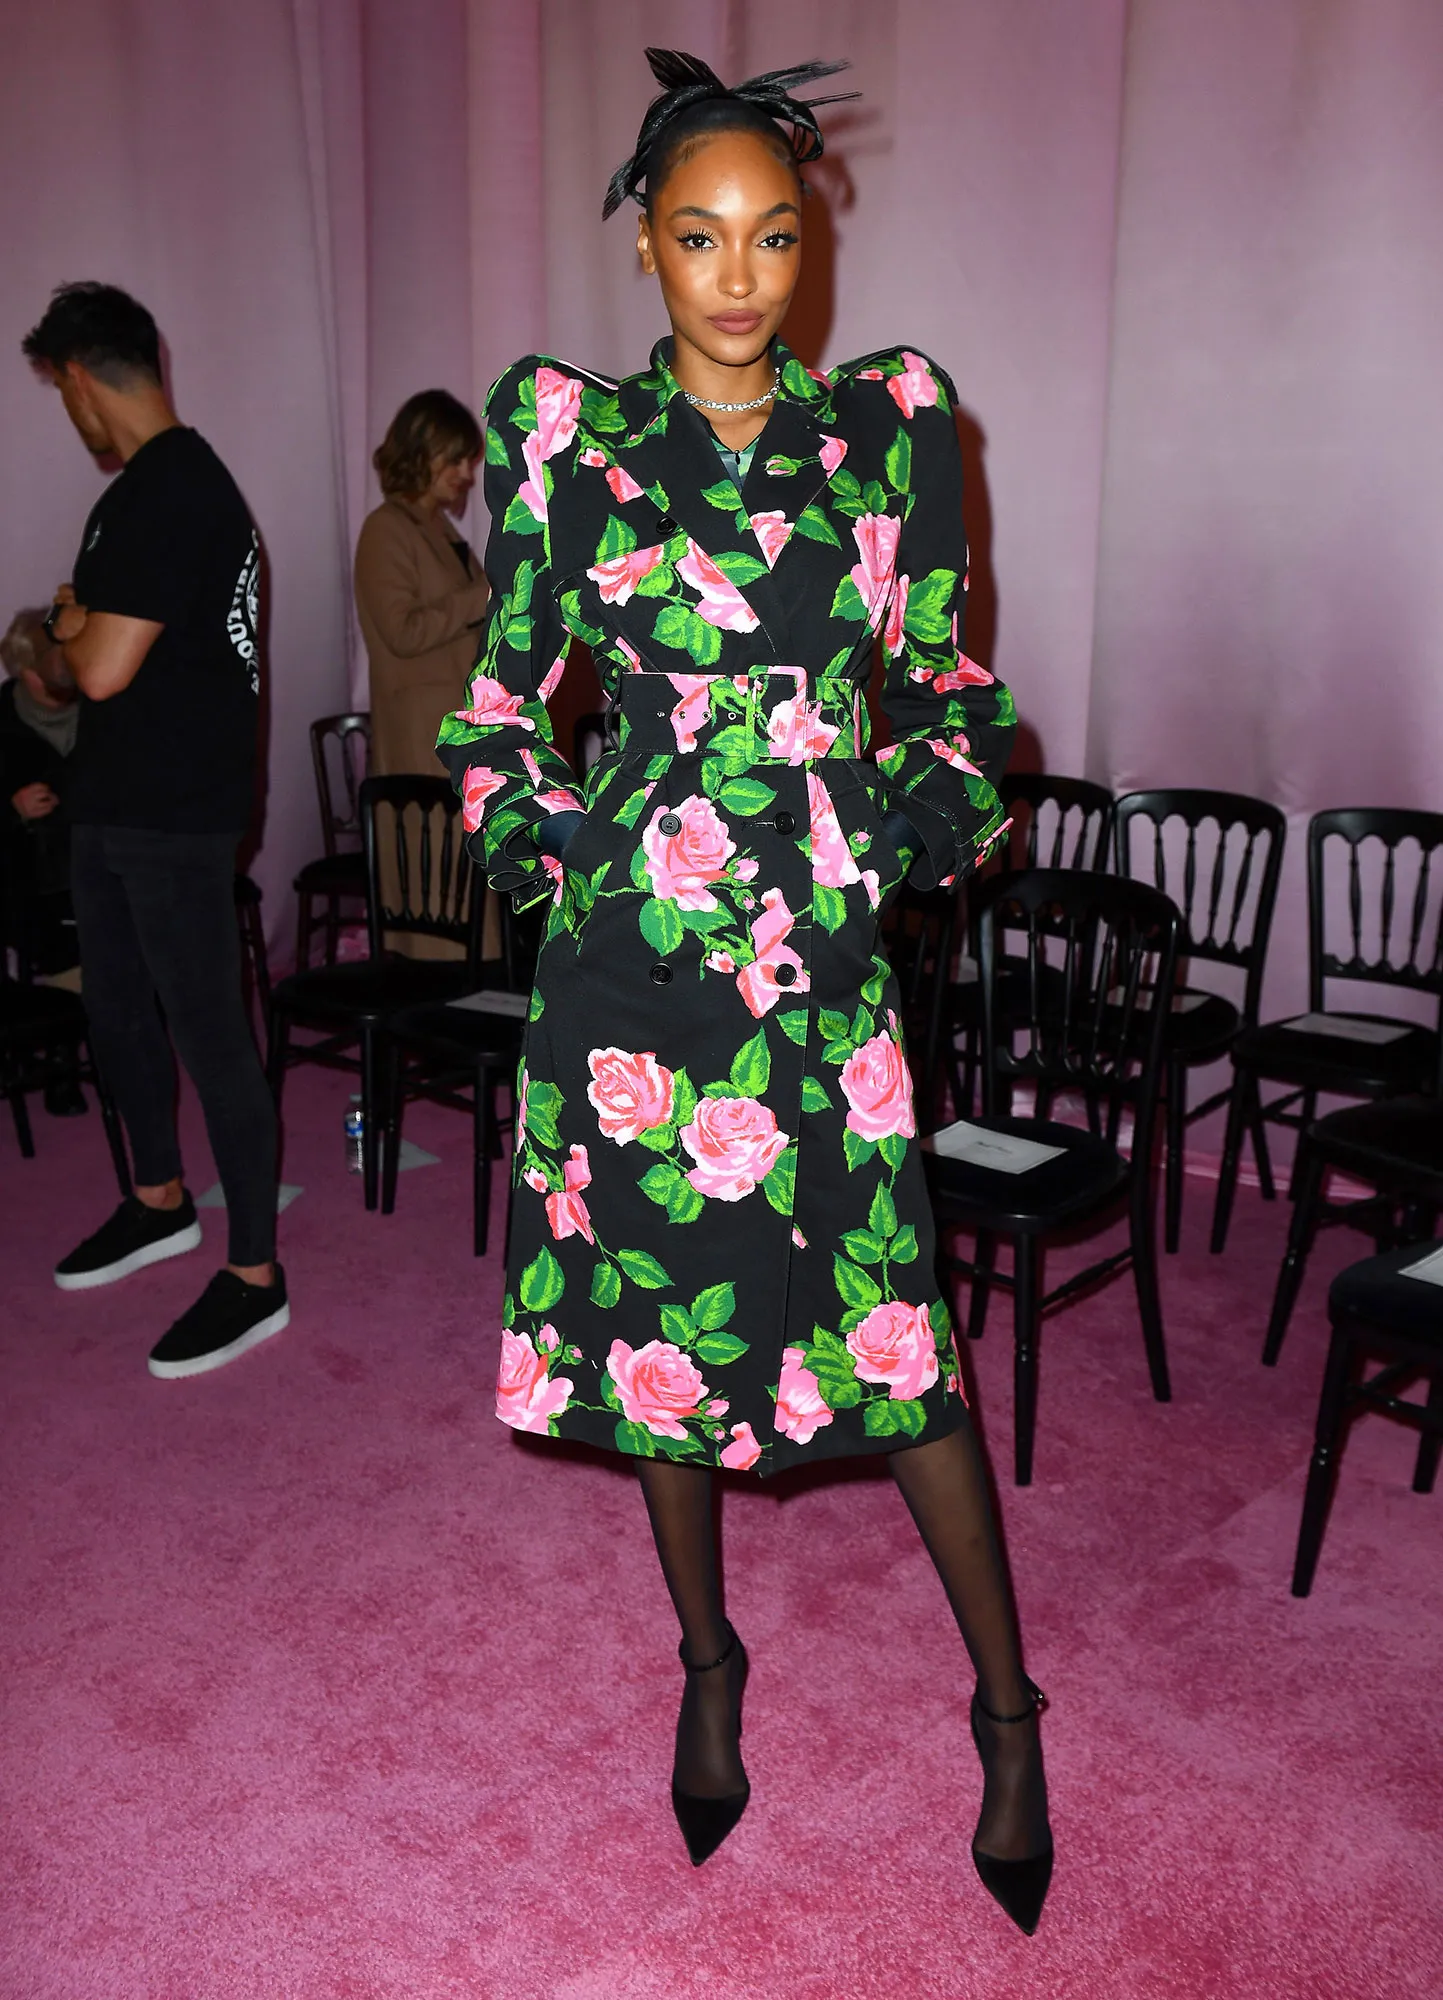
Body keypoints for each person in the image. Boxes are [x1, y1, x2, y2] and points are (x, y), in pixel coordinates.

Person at [438, 51, 1052, 1929]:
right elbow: (497, 711)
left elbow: (945, 692)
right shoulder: (564, 439)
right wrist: (571, 862)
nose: (736, 275)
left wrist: (897, 837)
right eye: (698, 236)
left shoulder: (888, 431)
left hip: (819, 961)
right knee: (663, 1351)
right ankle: (707, 1665)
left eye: (771, 237)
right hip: (631, 970)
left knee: (896, 1336)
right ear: (644, 238)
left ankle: (1007, 1710)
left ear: (808, 247)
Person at [21, 281, 288, 1379]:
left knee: (210, 1036)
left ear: (82, 378)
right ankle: (159, 1198)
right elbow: (91, 646)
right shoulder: (137, 493)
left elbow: (93, 664)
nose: (69, 414)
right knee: (120, 1012)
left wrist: (65, 623)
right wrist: (77, 625)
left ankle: (257, 1275)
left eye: (60, 392)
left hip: (176, 812)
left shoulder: (174, 487)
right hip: (119, 801)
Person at [355, 390, 489, 779]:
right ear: (420, 455)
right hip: (419, 740)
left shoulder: (435, 526)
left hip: (450, 730)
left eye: (468, 462)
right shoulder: (385, 528)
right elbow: (403, 633)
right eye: (455, 461)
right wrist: (483, 595)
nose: (467, 475)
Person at [0, 609, 83, 990]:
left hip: (113, 879)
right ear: (21, 671)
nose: (58, 676)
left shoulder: (107, 713)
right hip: (35, 899)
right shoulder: (4, 723)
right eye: (43, 668)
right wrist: (13, 810)